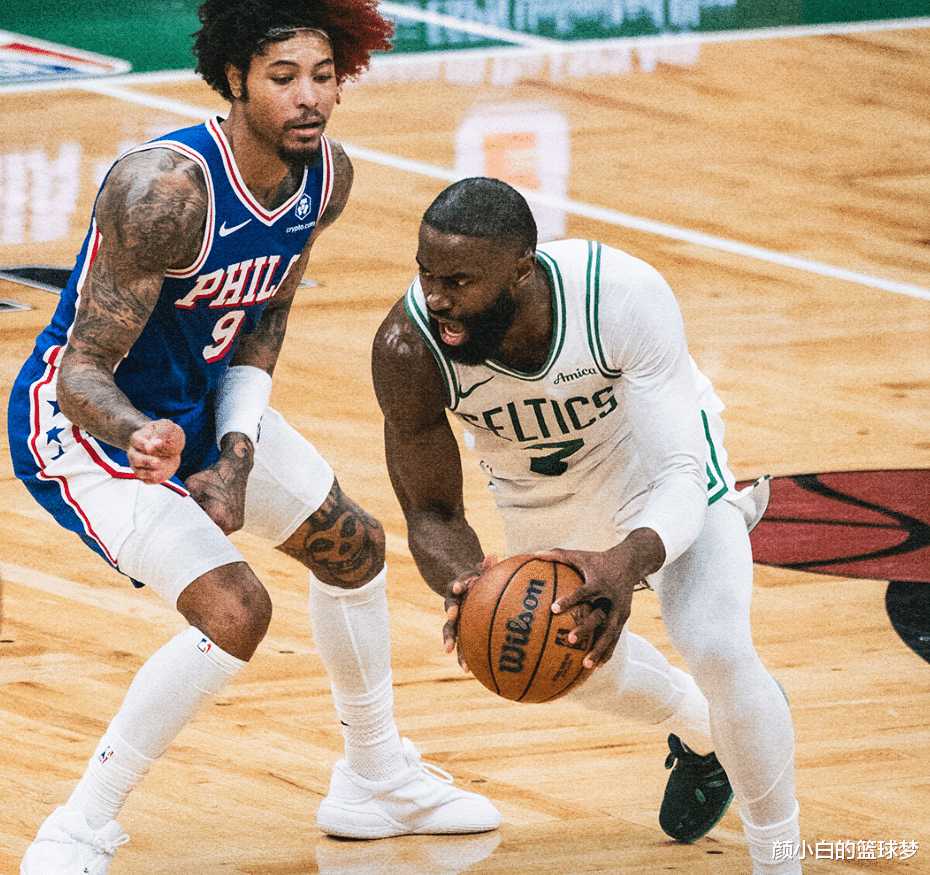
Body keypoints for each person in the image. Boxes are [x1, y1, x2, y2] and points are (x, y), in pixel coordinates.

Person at [7, 5, 500, 872]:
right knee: (236, 609)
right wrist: (142, 433)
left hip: (199, 410)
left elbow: (263, 319)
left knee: (355, 550)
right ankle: (77, 827)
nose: (310, 97)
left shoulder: (325, 177)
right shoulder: (164, 193)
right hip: (87, 428)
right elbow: (81, 368)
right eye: (283, 78)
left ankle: (374, 778)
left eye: (324, 76)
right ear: (234, 79)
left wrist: (233, 454)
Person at [371, 177, 803, 875]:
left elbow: (681, 474)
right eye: (427, 274)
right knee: (567, 665)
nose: (437, 298)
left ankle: (780, 860)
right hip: (535, 493)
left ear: (522, 269)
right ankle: (710, 732)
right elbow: (431, 511)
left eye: (458, 281)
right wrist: (466, 584)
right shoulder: (409, 346)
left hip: (650, 463)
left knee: (717, 644)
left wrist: (624, 564)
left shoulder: (618, 295)